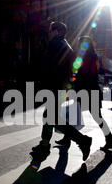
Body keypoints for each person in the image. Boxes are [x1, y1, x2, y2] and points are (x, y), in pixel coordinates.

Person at [30, 22, 92, 164]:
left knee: (52, 118)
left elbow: (48, 68)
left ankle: (82, 140)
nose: (48, 33)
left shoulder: (55, 45)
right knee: (50, 116)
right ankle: (45, 145)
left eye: (50, 30)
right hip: (61, 87)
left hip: (55, 86)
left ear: (57, 31)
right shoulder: (65, 45)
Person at [56, 36, 112, 151]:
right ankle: (110, 140)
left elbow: (75, 72)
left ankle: (67, 138)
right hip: (92, 89)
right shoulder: (94, 57)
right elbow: (95, 73)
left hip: (82, 90)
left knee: (73, 114)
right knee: (96, 117)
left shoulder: (80, 56)